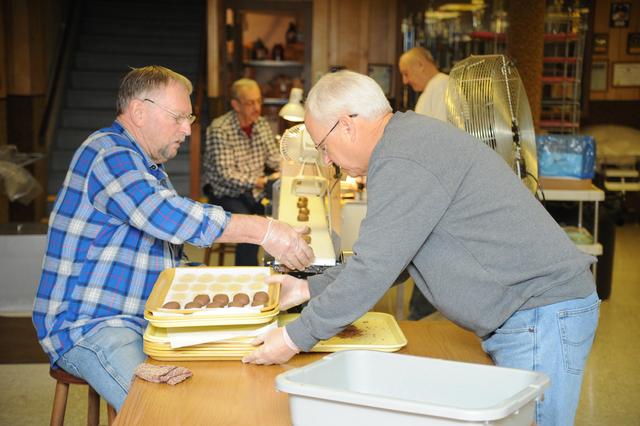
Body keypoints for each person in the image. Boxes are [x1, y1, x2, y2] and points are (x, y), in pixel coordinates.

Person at [243, 70, 599, 426]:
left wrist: (292, 338)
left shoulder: (403, 157)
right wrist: (305, 288)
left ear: (347, 126)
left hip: (540, 312)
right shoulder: (404, 142)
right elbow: (394, 259)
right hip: (528, 312)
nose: (326, 160)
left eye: (323, 146)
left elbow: (373, 270)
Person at [32, 66, 313, 412]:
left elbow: (171, 262)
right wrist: (267, 231)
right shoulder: (109, 152)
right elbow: (167, 216)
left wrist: (259, 284)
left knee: (235, 372)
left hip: (147, 318)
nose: (187, 129)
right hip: (91, 324)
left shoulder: (147, 166)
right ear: (138, 111)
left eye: (189, 117)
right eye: (178, 117)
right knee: (162, 412)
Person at [202, 78, 281, 266]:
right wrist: (261, 181)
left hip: (253, 193)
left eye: (259, 101)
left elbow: (274, 158)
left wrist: (291, 166)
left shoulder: (260, 124)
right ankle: (249, 278)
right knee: (251, 228)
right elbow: (226, 174)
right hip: (225, 194)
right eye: (250, 103)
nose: (257, 107)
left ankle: (281, 270)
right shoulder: (219, 129)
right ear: (236, 105)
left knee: (281, 214)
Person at [399, 46, 450, 319]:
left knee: (430, 265)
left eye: (407, 73)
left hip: (437, 194)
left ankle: (420, 322)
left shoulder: (441, 88)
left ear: (420, 64)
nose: (406, 80)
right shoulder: (434, 90)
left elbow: (438, 146)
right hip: (430, 192)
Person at [398, 46, 450, 121]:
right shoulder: (434, 86)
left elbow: (443, 129)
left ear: (420, 65)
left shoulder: (441, 84)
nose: (404, 81)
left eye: (406, 74)